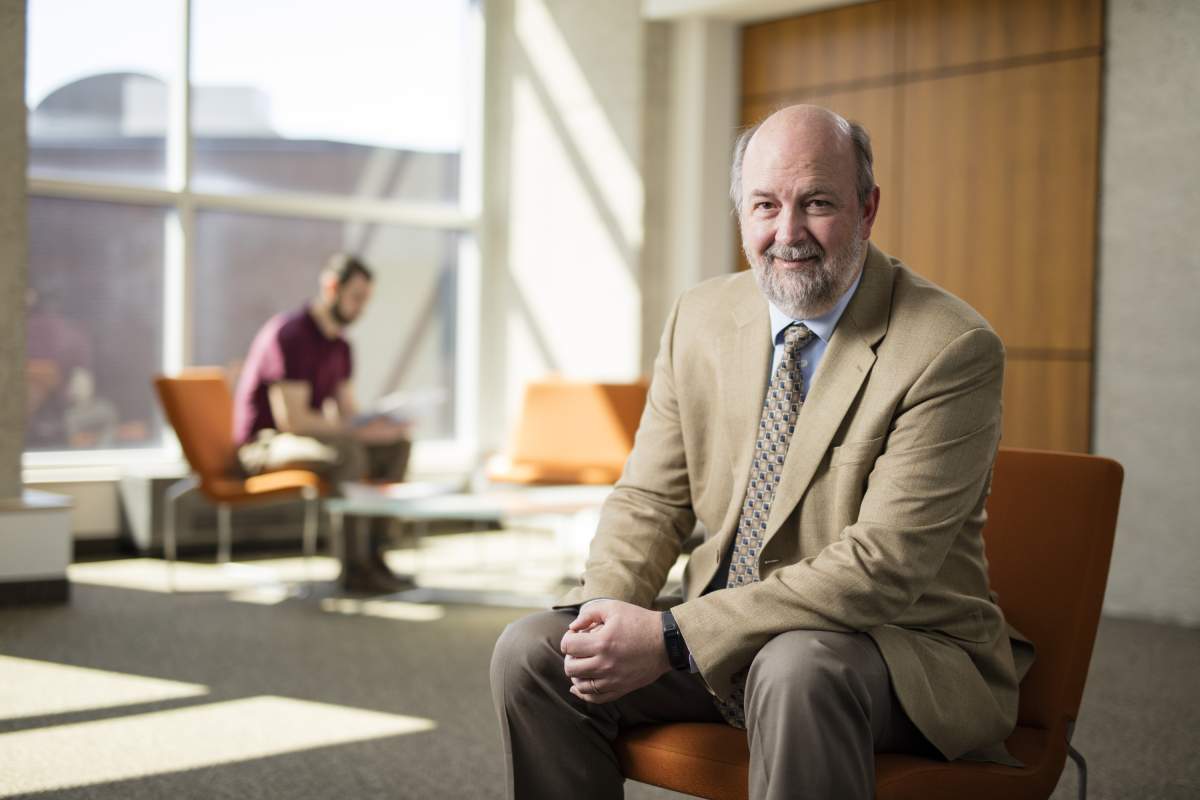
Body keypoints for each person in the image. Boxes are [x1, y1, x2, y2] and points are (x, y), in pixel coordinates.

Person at [489, 105, 1035, 799]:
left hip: (891, 649)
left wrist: (676, 637)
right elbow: (651, 498)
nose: (788, 232)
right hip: (717, 631)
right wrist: (605, 613)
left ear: (868, 208)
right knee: (536, 654)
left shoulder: (948, 348)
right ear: (740, 213)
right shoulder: (701, 317)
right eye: (765, 205)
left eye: (817, 204)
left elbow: (885, 567)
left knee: (796, 666)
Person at [232, 253, 413, 593]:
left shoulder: (341, 346)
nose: (361, 308)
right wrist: (356, 431)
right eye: (356, 298)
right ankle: (354, 568)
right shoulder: (290, 334)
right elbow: (294, 420)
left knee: (396, 446)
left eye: (366, 301)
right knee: (348, 452)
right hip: (264, 444)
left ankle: (376, 557)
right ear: (332, 287)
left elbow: (347, 412)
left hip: (305, 437)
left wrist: (382, 426)